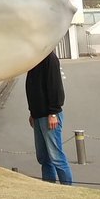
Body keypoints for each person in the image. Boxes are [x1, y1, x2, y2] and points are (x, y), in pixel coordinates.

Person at [25, 51, 73, 185]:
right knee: (43, 158)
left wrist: (53, 113)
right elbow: (32, 87)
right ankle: (49, 188)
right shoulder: (34, 59)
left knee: (56, 156)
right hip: (37, 115)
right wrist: (32, 113)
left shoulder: (49, 58)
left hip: (49, 115)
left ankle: (68, 189)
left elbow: (56, 87)